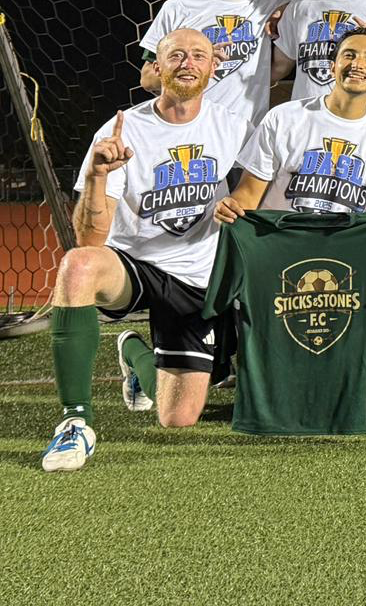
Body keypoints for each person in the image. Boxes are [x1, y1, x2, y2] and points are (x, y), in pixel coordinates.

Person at [42, 29, 251, 471]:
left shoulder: (234, 127)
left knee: (178, 418)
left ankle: (137, 355)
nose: (188, 63)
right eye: (177, 55)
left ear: (213, 68)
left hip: (197, 277)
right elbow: (90, 240)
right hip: (134, 265)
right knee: (78, 265)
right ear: (157, 67)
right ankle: (75, 422)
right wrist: (97, 175)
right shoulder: (122, 130)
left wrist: (237, 204)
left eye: (199, 55)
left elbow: (255, 192)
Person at [216, 27, 366, 431]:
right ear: (332, 65)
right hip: (281, 250)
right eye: (349, 54)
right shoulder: (285, 118)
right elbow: (248, 195)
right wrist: (232, 208)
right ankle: (221, 353)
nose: (357, 64)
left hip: (346, 255)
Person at [138, 0, 286, 126]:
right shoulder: (180, 5)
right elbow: (147, 79)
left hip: (245, 134)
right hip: (189, 129)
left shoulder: (267, 6)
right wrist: (195, 66)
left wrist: (284, 9)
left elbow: (309, 5)